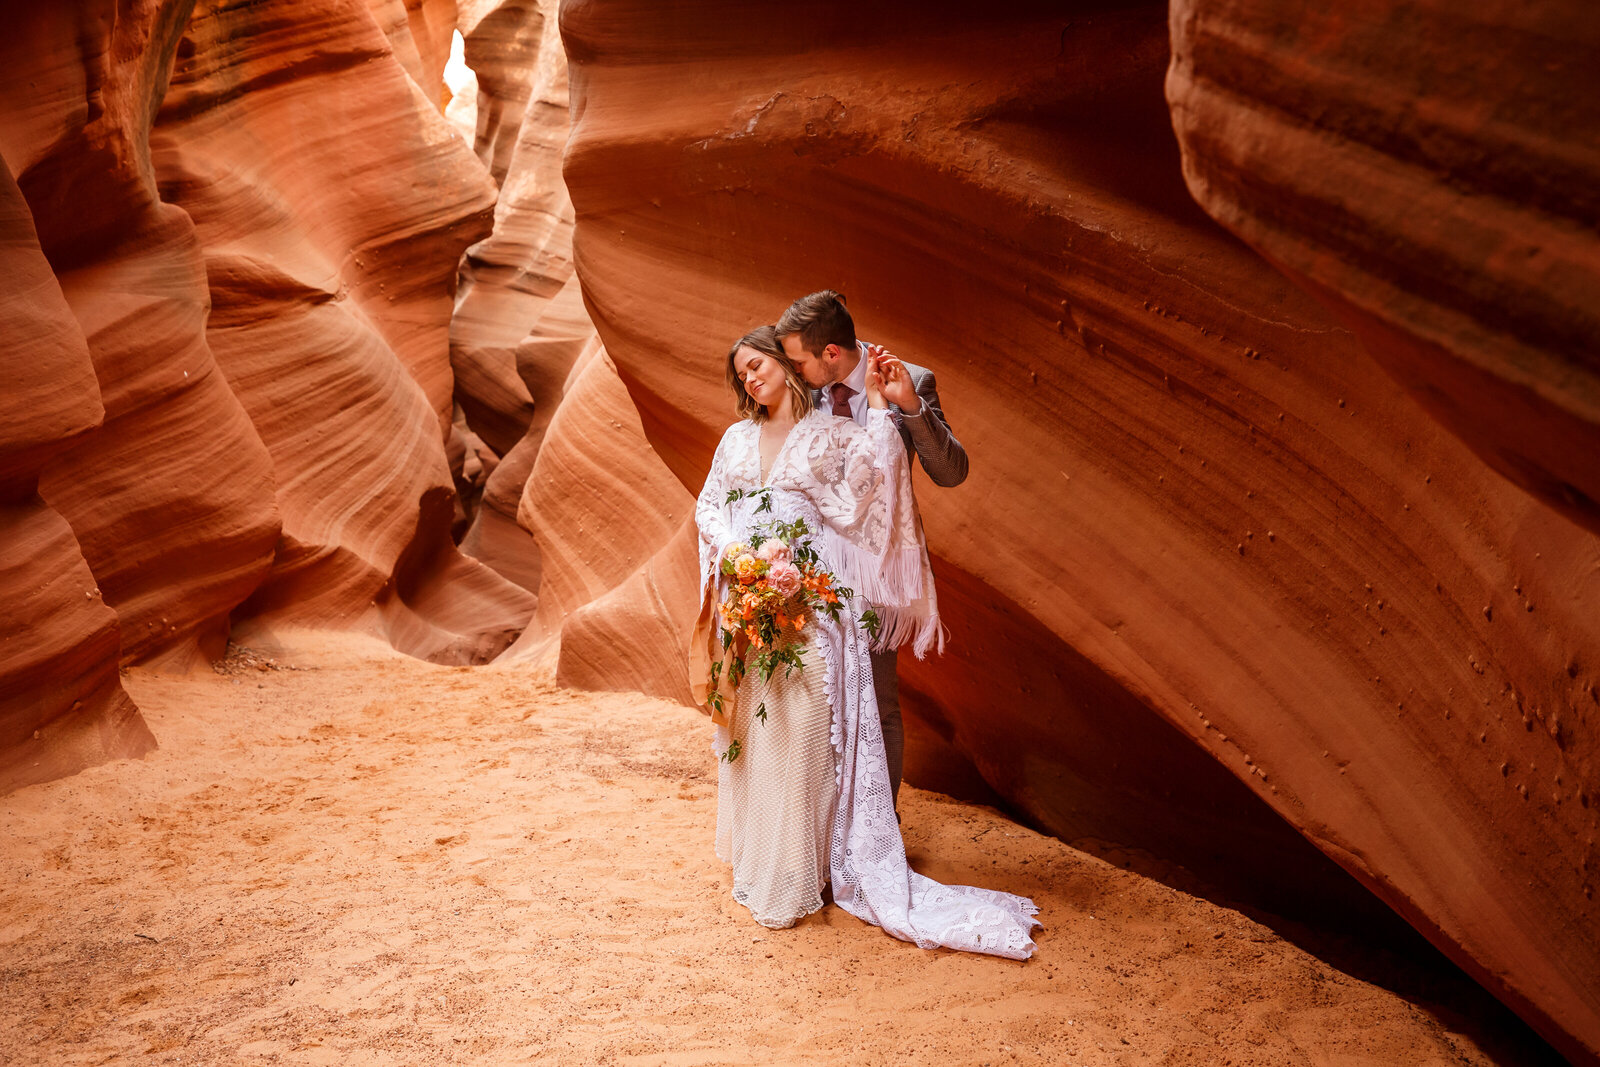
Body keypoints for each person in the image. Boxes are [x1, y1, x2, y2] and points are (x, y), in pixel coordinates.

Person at [690, 325, 1037, 959]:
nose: (751, 376)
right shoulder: (748, 432)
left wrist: (889, 409)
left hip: (838, 593)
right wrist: (745, 560)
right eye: (740, 371)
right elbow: (713, 507)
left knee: (838, 723)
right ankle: (774, 853)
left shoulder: (845, 416)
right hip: (760, 598)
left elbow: (869, 492)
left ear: (801, 357)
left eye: (760, 362)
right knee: (765, 727)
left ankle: (839, 853)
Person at [775, 290, 967, 806]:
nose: (793, 370)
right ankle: (823, 833)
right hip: (810, 570)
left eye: (800, 360)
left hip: (879, 571)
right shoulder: (803, 390)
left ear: (831, 354)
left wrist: (909, 405)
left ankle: (879, 838)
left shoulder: (913, 378)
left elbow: (951, 473)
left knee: (877, 704)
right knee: (817, 699)